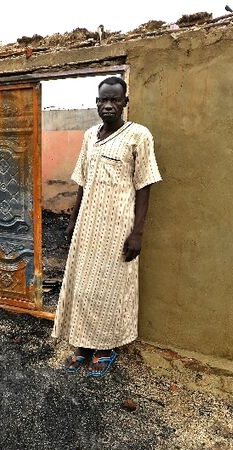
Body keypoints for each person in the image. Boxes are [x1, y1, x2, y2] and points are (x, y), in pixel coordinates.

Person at [52, 76, 162, 378]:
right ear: (97, 102)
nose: (108, 105)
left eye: (114, 99)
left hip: (118, 227)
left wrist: (138, 232)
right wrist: (73, 221)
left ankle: (105, 349)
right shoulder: (89, 136)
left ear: (125, 102)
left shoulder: (138, 136)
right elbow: (83, 183)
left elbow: (145, 185)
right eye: (103, 100)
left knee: (112, 289)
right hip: (88, 226)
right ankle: (83, 347)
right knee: (85, 286)